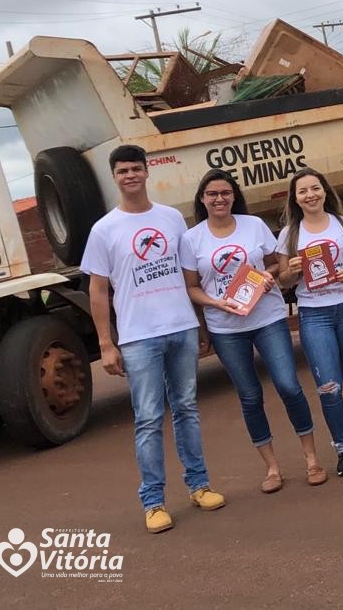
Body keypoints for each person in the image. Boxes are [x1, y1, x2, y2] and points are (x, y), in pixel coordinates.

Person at [81, 145, 225, 534]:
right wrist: (106, 343)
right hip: (138, 337)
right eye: (122, 170)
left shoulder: (171, 218)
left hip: (180, 328)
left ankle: (199, 485)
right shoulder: (103, 230)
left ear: (147, 172)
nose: (130, 175)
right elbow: (98, 290)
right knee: (147, 419)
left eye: (135, 168)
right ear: (114, 177)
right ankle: (154, 502)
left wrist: (201, 325)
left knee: (186, 409)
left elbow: (188, 275)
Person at [180, 168, 328, 494]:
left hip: (267, 317)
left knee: (289, 385)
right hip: (225, 327)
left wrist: (269, 275)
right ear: (202, 200)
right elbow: (190, 287)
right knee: (249, 396)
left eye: (225, 193)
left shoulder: (254, 225)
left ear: (234, 196)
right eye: (212, 194)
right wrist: (215, 304)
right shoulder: (192, 239)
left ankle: (312, 458)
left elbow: (279, 263)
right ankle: (272, 467)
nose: (219, 199)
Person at [276, 166, 343, 476]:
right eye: (303, 191)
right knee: (328, 386)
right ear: (295, 199)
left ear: (325, 191)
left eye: (315, 188)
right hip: (314, 312)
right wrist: (292, 270)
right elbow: (283, 281)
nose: (310, 195)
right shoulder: (289, 233)